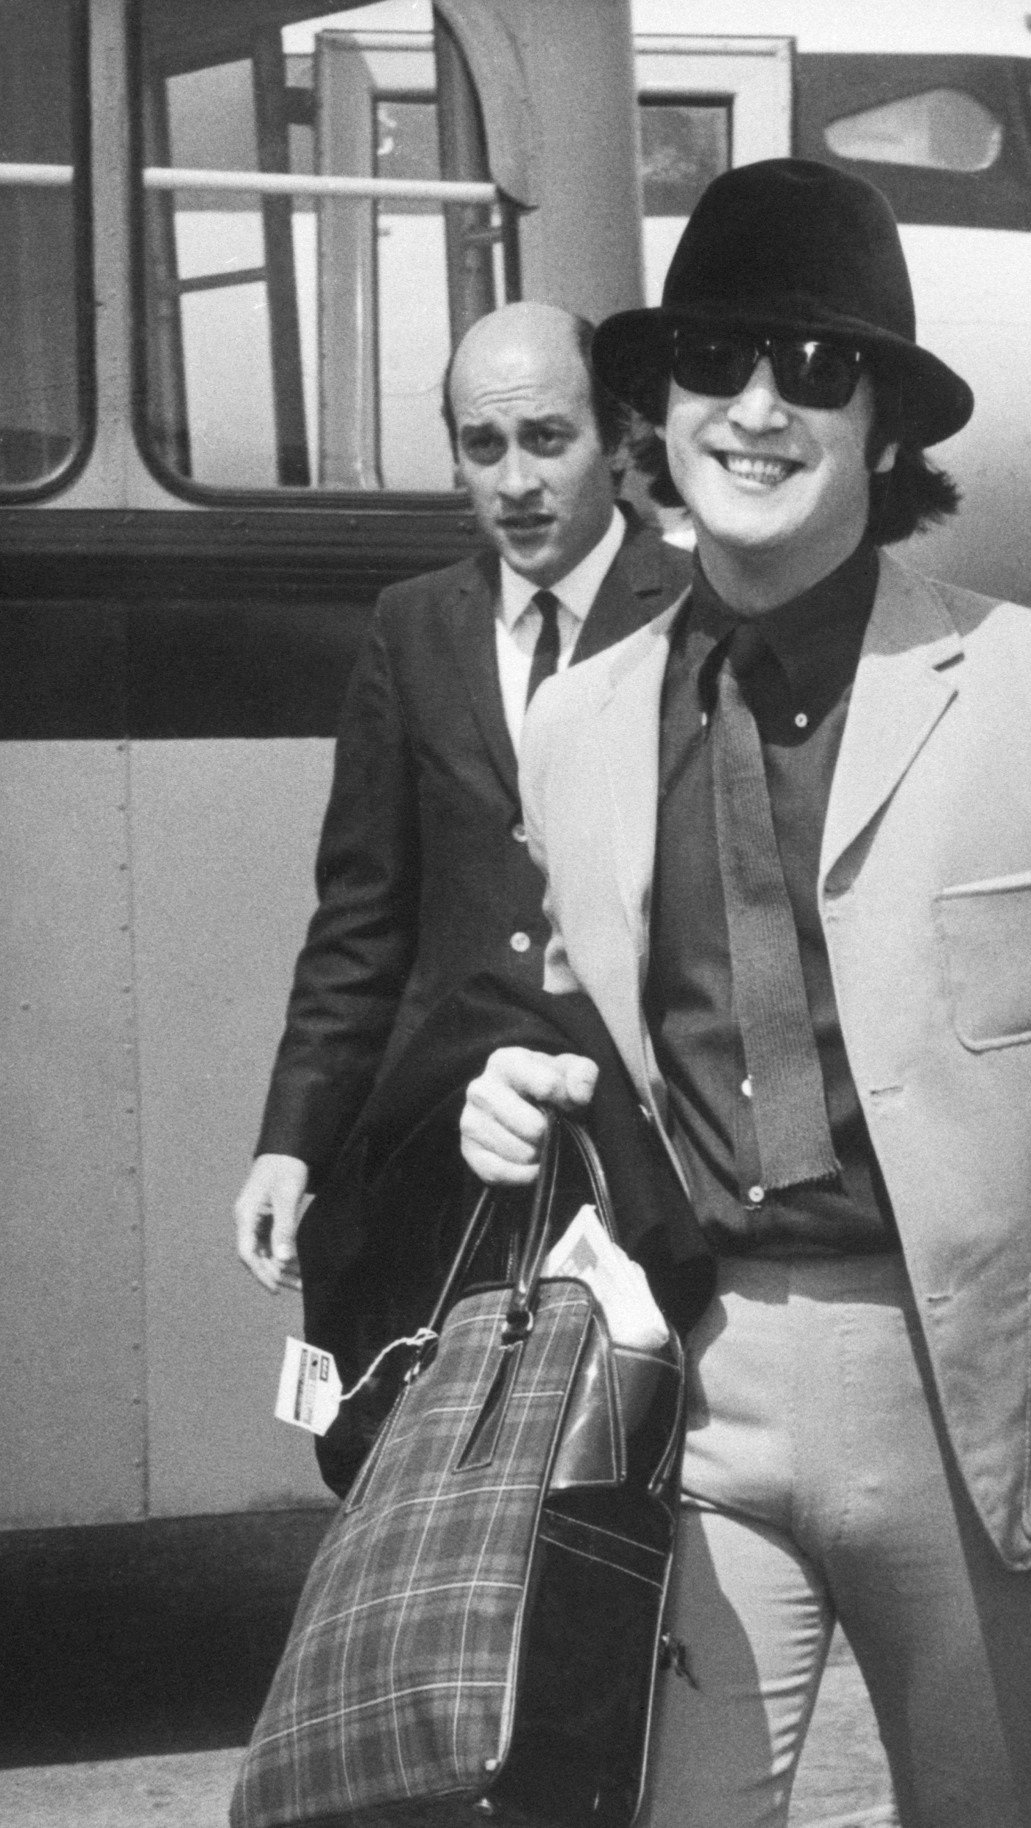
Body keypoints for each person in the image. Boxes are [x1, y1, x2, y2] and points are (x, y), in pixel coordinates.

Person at [455, 159, 1031, 1828]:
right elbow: (568, 1027)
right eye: (718, 360)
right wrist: (508, 1089)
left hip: (969, 1399)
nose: (758, 406)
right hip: (693, 1386)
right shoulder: (577, 730)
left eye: (817, 370)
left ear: (887, 431)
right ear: (653, 410)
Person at [230, 301, 689, 1294]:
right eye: (484, 446)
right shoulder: (412, 627)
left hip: (636, 1153)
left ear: (617, 442)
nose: (515, 481)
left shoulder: (696, 616)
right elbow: (362, 918)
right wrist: (292, 1140)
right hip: (443, 1141)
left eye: (547, 440)